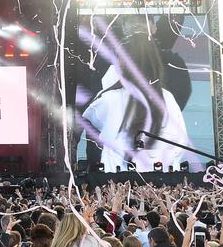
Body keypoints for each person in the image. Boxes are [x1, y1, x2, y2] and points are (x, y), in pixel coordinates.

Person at [81, 33, 191, 172]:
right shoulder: (166, 98)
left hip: (118, 183)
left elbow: (91, 118)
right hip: (161, 181)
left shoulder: (110, 100)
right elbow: (179, 142)